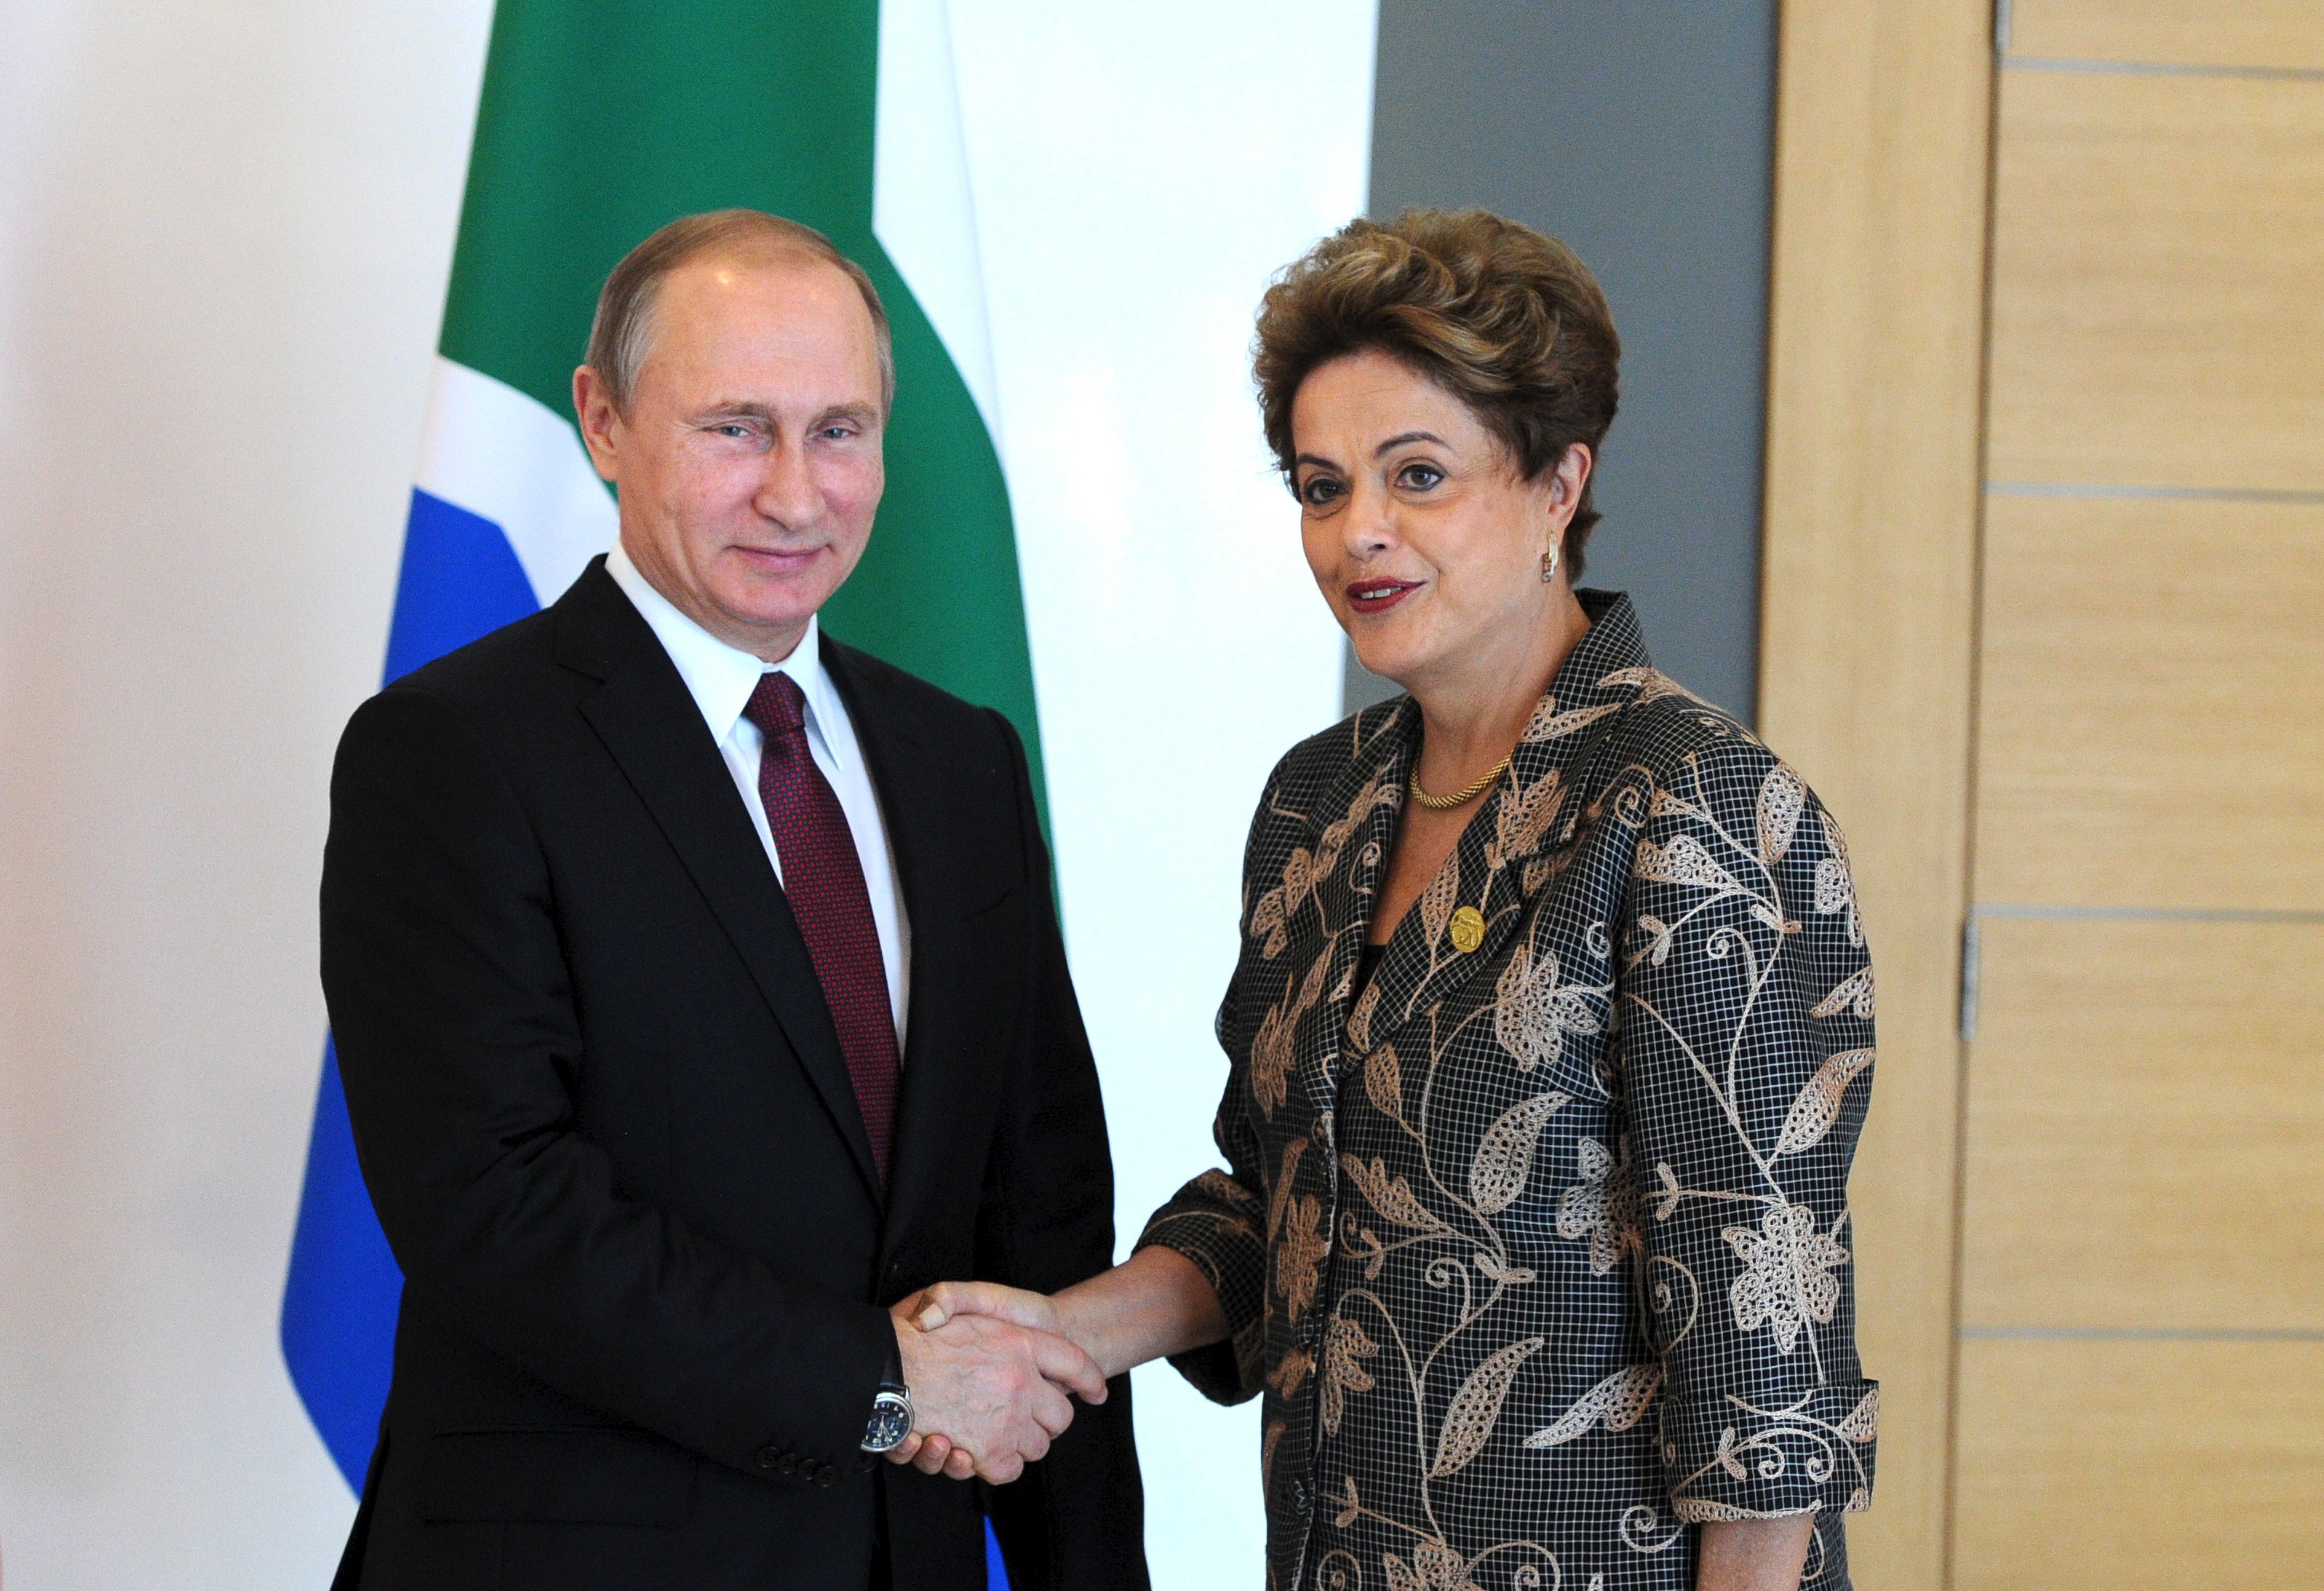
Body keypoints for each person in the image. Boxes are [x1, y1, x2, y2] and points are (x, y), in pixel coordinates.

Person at [906, 210, 1879, 1591]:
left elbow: (1765, 1357)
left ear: (1556, 483)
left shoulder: (1694, 803)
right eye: (1321, 486)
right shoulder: (1319, 802)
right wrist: (1056, 1335)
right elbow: (1281, 1200)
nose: (1357, 532)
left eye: (1417, 475)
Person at [320, 210, 1145, 1591]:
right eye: (735, 429)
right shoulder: (453, 750)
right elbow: (492, 1203)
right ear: (602, 421)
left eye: (839, 431)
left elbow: (1039, 1214)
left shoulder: (961, 763)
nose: (795, 495)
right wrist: (879, 1379)